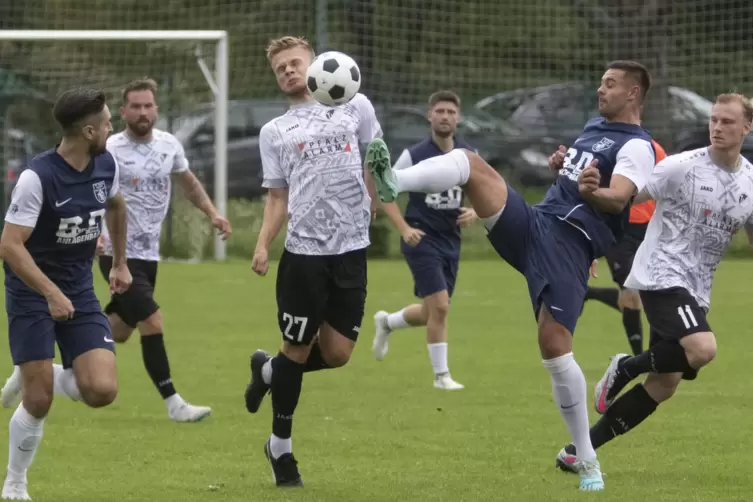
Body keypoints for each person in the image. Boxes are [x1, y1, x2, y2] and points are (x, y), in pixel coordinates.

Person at [366, 60, 659, 492]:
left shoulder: (637, 146)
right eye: (601, 82)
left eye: (610, 84)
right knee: (468, 162)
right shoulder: (594, 128)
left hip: (569, 244)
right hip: (537, 223)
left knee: (554, 347)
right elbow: (574, 182)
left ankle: (587, 457)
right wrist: (562, 165)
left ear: (633, 94)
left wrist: (593, 191)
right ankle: (394, 179)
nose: (601, 89)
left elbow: (618, 199)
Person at [1, 79, 231, 424]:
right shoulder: (99, 153)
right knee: (152, 319)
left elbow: (140, 197)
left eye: (148, 105)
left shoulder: (164, 146)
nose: (141, 113)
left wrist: (212, 213)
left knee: (121, 332)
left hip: (145, 254)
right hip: (96, 257)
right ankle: (174, 402)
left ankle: (40, 368)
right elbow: (14, 241)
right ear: (117, 115)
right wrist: (106, 252)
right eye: (133, 107)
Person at [555, 92, 753, 472]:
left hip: (696, 288)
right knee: (703, 348)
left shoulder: (748, 181)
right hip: (661, 274)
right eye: (713, 119)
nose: (717, 127)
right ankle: (626, 367)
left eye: (727, 121)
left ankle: (579, 451)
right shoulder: (679, 167)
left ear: (747, 127)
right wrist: (586, 245)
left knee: (665, 384)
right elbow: (620, 201)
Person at [242, 36, 382, 488]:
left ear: (316, 65)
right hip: (304, 255)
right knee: (299, 349)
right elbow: (277, 197)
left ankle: (268, 369)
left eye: (294, 62)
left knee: (338, 354)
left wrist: (377, 198)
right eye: (279, 67)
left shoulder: (355, 105)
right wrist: (264, 243)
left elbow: (374, 159)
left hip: (352, 250)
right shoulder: (274, 132)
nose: (287, 71)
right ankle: (280, 448)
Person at [0, 87, 132, 500]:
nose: (114, 128)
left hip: (78, 290)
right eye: (109, 123)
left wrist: (121, 262)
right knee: (38, 401)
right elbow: (9, 245)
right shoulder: (37, 177)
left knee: (102, 391)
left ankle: (34, 373)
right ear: (88, 130)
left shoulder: (105, 164)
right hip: (30, 292)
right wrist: (50, 293)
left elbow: (116, 207)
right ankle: (15, 482)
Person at [372, 90, 476, 390]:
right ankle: (441, 377)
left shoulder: (468, 155)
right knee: (441, 308)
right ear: (429, 116)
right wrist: (403, 228)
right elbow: (386, 189)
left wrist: (474, 211)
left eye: (451, 112)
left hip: (451, 241)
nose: (445, 116)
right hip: (421, 238)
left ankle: (387, 323)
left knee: (432, 312)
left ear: (458, 118)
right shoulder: (414, 155)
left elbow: (486, 192)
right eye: (440, 111)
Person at [554, 139, 667, 356]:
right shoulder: (612, 149)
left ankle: (590, 293)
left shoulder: (655, 150)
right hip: (617, 229)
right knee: (631, 293)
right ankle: (639, 357)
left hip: (647, 229)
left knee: (644, 295)